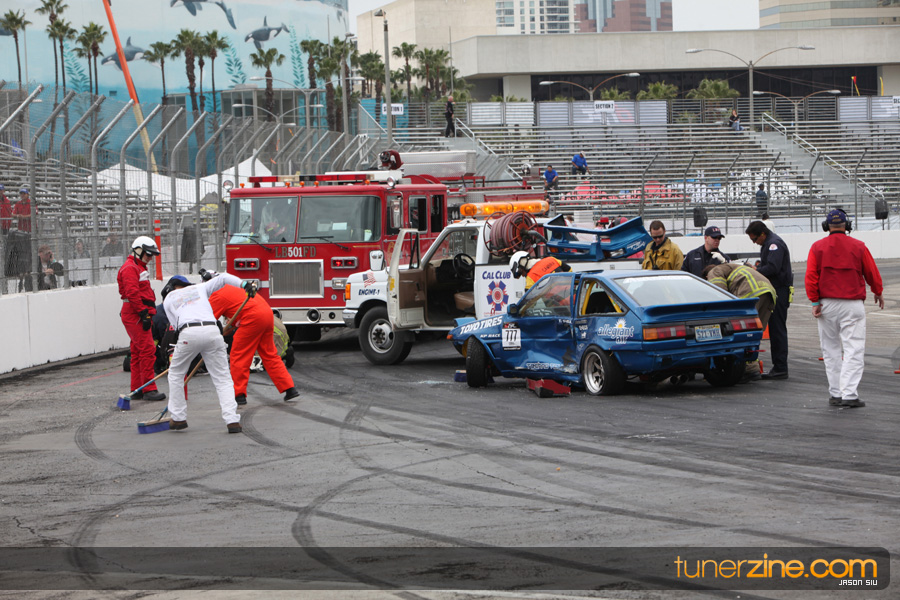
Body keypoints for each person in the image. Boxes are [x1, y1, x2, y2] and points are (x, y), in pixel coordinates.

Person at [805, 208, 884, 408]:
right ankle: (849, 393)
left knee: (830, 349)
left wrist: (814, 301)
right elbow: (871, 272)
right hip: (852, 304)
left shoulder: (817, 247)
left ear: (826, 226)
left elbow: (811, 276)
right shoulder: (859, 246)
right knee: (853, 348)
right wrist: (878, 291)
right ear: (847, 225)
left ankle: (836, 393)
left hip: (827, 304)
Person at [161, 273, 258, 433]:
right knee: (223, 378)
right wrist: (244, 285)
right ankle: (232, 420)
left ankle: (178, 417)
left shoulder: (168, 299)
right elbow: (223, 278)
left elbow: (176, 328)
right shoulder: (199, 288)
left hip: (188, 332)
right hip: (212, 330)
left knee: (176, 374)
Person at [207, 273, 299, 406]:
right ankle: (289, 388)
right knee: (270, 355)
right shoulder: (233, 289)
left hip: (252, 318)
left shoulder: (216, 296)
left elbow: (207, 322)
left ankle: (238, 395)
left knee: (239, 355)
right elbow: (235, 317)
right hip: (267, 315)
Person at [703, 262, 777, 382]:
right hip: (768, 292)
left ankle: (749, 369)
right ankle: (752, 368)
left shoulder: (714, 271)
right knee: (753, 334)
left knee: (743, 333)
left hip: (750, 293)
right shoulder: (731, 267)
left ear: (707, 277)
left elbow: (720, 295)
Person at [117, 236, 166, 402]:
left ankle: (137, 388)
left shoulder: (136, 267)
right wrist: (143, 313)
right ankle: (148, 389)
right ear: (138, 251)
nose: (150, 258)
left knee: (138, 351)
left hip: (137, 312)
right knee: (147, 349)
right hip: (136, 313)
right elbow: (132, 293)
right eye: (148, 254)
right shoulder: (131, 268)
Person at [746, 220, 793, 380]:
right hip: (775, 290)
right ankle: (778, 366)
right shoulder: (768, 244)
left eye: (755, 239)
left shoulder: (774, 244)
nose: (754, 242)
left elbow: (773, 268)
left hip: (779, 290)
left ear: (762, 234)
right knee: (774, 329)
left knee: (777, 329)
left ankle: (780, 367)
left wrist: (756, 271)